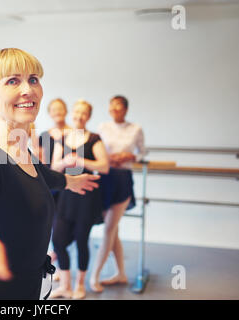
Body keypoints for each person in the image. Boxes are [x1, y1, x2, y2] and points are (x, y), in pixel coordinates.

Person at [0, 48, 100, 300]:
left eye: (33, 79)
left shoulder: (24, 154)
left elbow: (45, 178)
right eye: (13, 80)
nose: (28, 89)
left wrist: (71, 180)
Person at [50, 99, 109, 299]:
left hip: (86, 197)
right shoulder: (63, 139)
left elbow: (104, 166)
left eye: (84, 113)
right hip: (66, 197)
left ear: (88, 116)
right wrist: (65, 161)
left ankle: (80, 285)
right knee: (58, 240)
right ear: (72, 114)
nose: (79, 116)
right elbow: (53, 168)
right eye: (77, 112)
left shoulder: (94, 139)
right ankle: (65, 286)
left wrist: (81, 160)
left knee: (82, 241)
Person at [89, 95, 146, 292]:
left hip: (122, 179)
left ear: (125, 109)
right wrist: (107, 158)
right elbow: (96, 150)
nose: (114, 111)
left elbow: (142, 152)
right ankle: (121, 273)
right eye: (111, 107)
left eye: (118, 107)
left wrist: (130, 156)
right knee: (113, 230)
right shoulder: (103, 127)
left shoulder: (135, 128)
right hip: (105, 179)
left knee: (108, 230)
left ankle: (94, 276)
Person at [38, 98, 71, 277]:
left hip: (68, 184)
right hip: (50, 184)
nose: (58, 112)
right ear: (49, 113)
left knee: (64, 225)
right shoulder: (44, 135)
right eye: (54, 110)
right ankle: (55, 261)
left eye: (61, 109)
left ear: (66, 110)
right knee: (52, 224)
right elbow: (42, 162)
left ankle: (60, 259)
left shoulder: (74, 133)